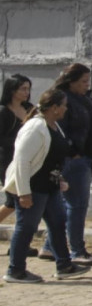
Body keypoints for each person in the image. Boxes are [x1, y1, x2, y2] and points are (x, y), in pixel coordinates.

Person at [4, 89, 92, 282]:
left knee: (58, 224)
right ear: (54, 108)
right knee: (26, 227)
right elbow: (22, 161)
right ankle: (15, 270)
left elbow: (51, 158)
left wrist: (59, 179)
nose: (66, 109)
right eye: (63, 105)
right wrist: (24, 193)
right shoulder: (35, 127)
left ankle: (64, 265)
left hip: (49, 187)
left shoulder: (53, 126)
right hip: (33, 187)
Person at [42, 63, 92, 266]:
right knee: (76, 206)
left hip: (86, 157)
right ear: (71, 82)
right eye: (83, 81)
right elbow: (59, 130)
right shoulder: (63, 101)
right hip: (75, 160)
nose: (86, 85)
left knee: (66, 205)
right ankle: (77, 250)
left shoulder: (84, 99)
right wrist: (74, 152)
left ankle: (50, 246)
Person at [1, 74, 35, 229]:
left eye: (28, 89)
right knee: (14, 199)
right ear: (12, 90)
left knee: (19, 200)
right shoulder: (3, 111)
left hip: (27, 161)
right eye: (23, 88)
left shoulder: (30, 109)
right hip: (7, 161)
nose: (26, 92)